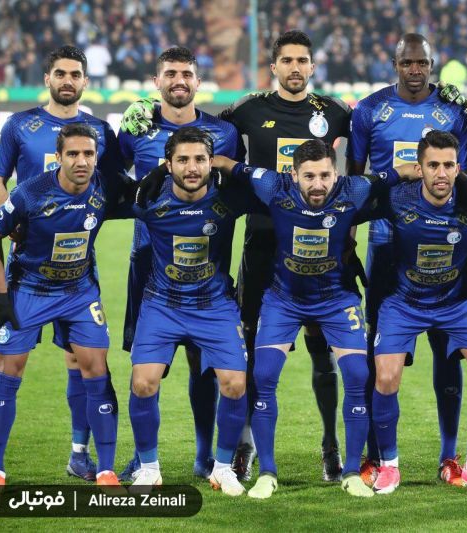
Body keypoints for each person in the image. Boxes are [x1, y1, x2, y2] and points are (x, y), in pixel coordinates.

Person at [120, 30, 352, 482]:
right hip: (248, 247)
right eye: (287, 60)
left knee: (320, 350)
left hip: (315, 247)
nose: (295, 68)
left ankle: (328, 444)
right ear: (273, 66)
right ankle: (234, 447)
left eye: (302, 60)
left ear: (312, 65)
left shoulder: (335, 113)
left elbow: (361, 156)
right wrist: (146, 108)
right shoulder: (244, 112)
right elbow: (182, 137)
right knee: (235, 353)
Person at [206, 140, 418, 499]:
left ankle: (351, 473)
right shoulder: (273, 186)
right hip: (284, 300)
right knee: (263, 375)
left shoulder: (354, 188)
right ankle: (267, 472)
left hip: (336, 300)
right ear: (294, 175)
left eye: (324, 175)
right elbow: (231, 165)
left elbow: (399, 173)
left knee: (357, 375)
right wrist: (203, 162)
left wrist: (434, 174)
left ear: (336, 174)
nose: (318, 184)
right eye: (309, 177)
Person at [0, 45, 123, 485]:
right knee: (7, 362)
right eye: (61, 73)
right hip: (29, 266)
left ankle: (82, 454)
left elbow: (114, 185)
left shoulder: (100, 130)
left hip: (78, 272)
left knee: (83, 361)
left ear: (85, 81)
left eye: (76, 74)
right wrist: (14, 223)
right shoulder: (20, 125)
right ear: (48, 78)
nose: (68, 80)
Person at [347, 33, 467, 487]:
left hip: (443, 244)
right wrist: (348, 243)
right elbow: (354, 182)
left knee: (447, 350)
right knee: (379, 355)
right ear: (395, 63)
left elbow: (465, 179)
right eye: (407, 62)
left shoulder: (453, 110)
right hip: (386, 245)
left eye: (422, 63)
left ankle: (449, 456)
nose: (415, 70)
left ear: (432, 64)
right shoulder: (370, 110)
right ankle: (376, 454)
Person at [116, 46, 244, 482]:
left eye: (186, 74)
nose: (179, 81)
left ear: (197, 81)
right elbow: (112, 179)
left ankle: (206, 456)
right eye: (170, 73)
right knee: (144, 368)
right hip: (148, 262)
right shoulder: (137, 127)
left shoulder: (223, 133)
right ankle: (143, 459)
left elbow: (237, 183)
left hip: (208, 266)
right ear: (157, 81)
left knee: (203, 365)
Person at [370, 131, 467, 495]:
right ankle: (389, 467)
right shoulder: (398, 199)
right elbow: (353, 199)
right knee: (386, 378)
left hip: (455, 303)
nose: (441, 173)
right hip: (404, 302)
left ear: (458, 168)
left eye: (448, 165)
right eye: (432, 165)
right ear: (419, 169)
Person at [127, 127, 257, 495]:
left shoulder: (229, 198)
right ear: (168, 164)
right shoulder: (149, 198)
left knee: (235, 383)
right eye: (182, 160)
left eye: (200, 159)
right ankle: (149, 469)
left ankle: (222, 469)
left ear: (211, 162)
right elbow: (97, 201)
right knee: (143, 382)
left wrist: (236, 170)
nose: (192, 167)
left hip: (214, 305)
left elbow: (280, 194)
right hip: (162, 304)